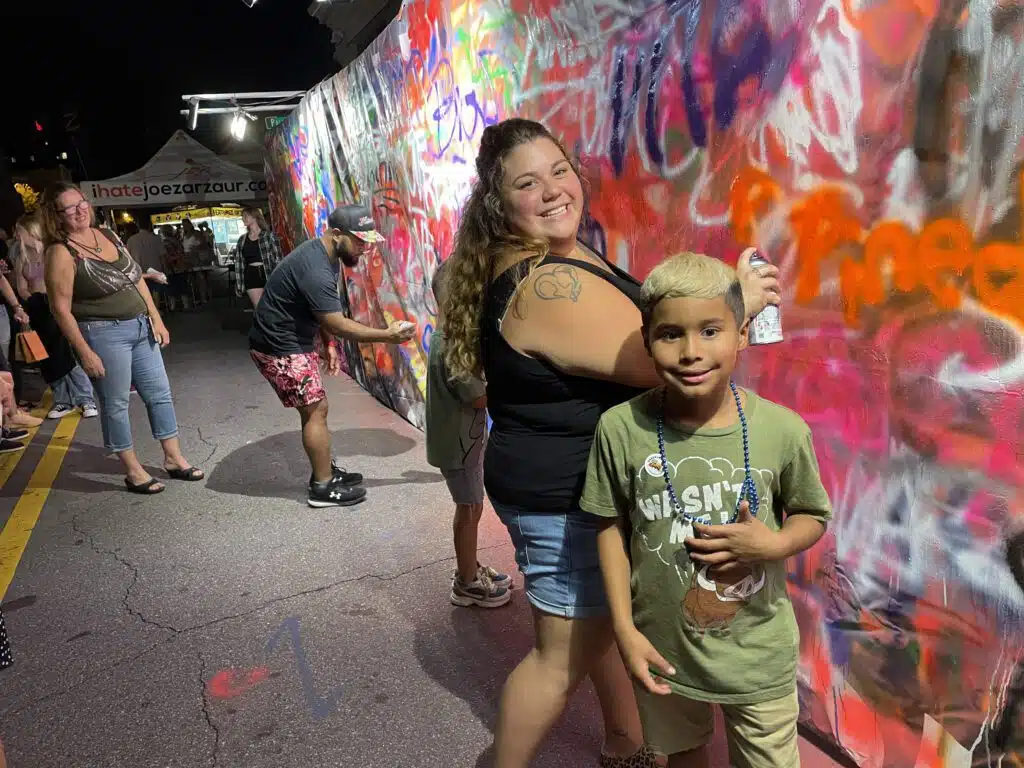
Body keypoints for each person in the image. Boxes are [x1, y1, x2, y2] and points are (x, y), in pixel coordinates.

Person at [441, 118, 778, 768]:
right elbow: (668, 362)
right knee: (559, 659)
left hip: (572, 487)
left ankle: (623, 739)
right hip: (566, 498)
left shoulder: (562, 255)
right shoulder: (545, 285)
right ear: (499, 203)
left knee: (594, 630)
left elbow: (639, 325)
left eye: (559, 171)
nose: (551, 191)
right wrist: (738, 306)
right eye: (526, 183)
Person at [581, 253, 832, 767]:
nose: (692, 351)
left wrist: (775, 543)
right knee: (682, 757)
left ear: (742, 334)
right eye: (671, 334)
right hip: (661, 648)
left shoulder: (782, 430)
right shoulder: (619, 429)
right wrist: (625, 632)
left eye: (711, 330)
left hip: (757, 655)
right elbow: (608, 527)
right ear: (648, 338)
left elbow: (812, 514)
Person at [41, 182, 204, 495]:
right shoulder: (61, 252)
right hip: (103, 334)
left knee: (160, 394)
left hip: (141, 328)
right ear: (56, 216)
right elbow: (60, 310)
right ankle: (132, 470)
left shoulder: (107, 234)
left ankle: (173, 458)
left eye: (82, 203)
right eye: (70, 208)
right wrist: (84, 353)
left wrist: (156, 318)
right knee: (115, 403)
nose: (80, 210)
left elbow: (136, 278)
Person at [249, 204, 416, 508]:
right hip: (278, 345)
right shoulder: (316, 267)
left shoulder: (328, 254)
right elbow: (335, 322)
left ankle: (324, 470)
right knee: (315, 409)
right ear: (337, 234)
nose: (365, 248)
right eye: (360, 241)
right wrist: (388, 336)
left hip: (292, 338)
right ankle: (322, 487)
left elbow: (321, 311)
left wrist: (327, 344)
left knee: (316, 408)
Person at [425, 258, 511, 608]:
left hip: (464, 445)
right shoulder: (452, 348)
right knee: (469, 507)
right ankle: (467, 583)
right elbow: (476, 397)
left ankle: (468, 566)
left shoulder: (450, 339)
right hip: (458, 448)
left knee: (472, 507)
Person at [12, 214, 99, 420]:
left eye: (19, 230)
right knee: (48, 356)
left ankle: (86, 398)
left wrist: (51, 298)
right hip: (38, 309)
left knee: (66, 352)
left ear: (30, 230)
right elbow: (21, 287)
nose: (15, 234)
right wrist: (33, 301)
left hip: (59, 307)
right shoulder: (21, 257)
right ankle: (63, 401)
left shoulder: (52, 252)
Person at [233, 207, 283, 308]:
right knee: (259, 308)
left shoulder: (269, 236)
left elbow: (278, 259)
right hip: (251, 275)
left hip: (269, 273)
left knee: (273, 307)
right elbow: (239, 263)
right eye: (242, 216)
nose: (243, 218)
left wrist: (281, 280)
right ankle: (263, 323)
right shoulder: (242, 240)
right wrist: (239, 284)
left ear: (255, 217)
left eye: (246, 216)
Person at [126, 220, 170, 308]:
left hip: (139, 271)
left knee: (144, 292)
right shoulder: (156, 238)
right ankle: (156, 310)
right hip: (155, 269)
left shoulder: (131, 240)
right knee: (156, 291)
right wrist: (165, 269)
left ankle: (147, 311)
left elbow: (128, 257)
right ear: (149, 226)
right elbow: (162, 255)